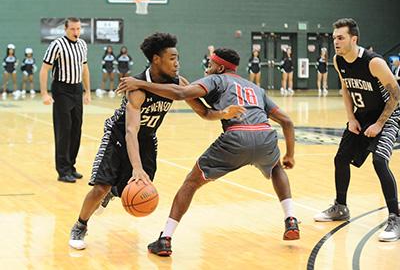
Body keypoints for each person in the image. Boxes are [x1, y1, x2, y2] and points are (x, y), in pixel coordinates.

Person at [68, 33, 245, 250]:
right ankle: (80, 225)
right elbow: (130, 131)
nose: (177, 62)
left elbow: (205, 113)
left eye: (177, 57)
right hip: (118, 135)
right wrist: (136, 168)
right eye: (172, 58)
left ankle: (114, 191)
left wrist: (224, 113)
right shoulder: (137, 89)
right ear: (156, 59)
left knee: (136, 186)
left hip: (148, 138)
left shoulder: (180, 84)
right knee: (100, 186)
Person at [117, 47, 300, 256]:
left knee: (191, 183)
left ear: (220, 67)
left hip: (237, 136)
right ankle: (291, 219)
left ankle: (165, 238)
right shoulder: (255, 88)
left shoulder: (216, 80)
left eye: (210, 65)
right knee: (276, 167)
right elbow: (286, 121)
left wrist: (140, 83)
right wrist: (290, 155)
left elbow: (180, 93)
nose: (207, 68)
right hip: (265, 135)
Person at [314, 18, 400, 242]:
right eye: (334, 38)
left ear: (354, 39)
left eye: (340, 38)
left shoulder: (373, 62)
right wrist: (351, 118)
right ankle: (340, 207)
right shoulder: (338, 60)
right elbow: (345, 88)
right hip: (361, 116)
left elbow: (396, 94)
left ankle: (395, 217)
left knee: (379, 161)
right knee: (341, 158)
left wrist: (380, 124)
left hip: (388, 116)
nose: (336, 42)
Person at [40, 17, 91, 183]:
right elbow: (44, 69)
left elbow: (84, 68)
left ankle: (71, 167)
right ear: (65, 29)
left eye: (78, 29)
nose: (76, 32)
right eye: (72, 29)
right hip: (61, 90)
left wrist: (87, 91)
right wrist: (44, 93)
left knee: (76, 130)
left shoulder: (83, 45)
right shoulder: (57, 45)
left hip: (76, 89)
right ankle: (62, 171)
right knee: (64, 130)